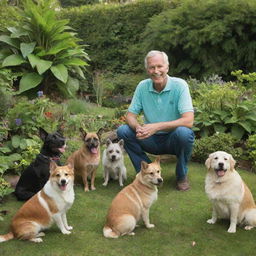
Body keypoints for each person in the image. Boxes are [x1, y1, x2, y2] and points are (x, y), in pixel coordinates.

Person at [117, 50, 194, 191]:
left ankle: (181, 176)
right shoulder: (142, 86)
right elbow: (130, 115)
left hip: (173, 139)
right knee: (123, 131)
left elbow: (188, 120)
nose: (156, 71)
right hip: (149, 138)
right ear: (147, 70)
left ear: (167, 67)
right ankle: (147, 173)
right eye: (152, 67)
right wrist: (138, 127)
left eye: (160, 66)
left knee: (184, 133)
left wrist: (157, 127)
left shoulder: (180, 85)